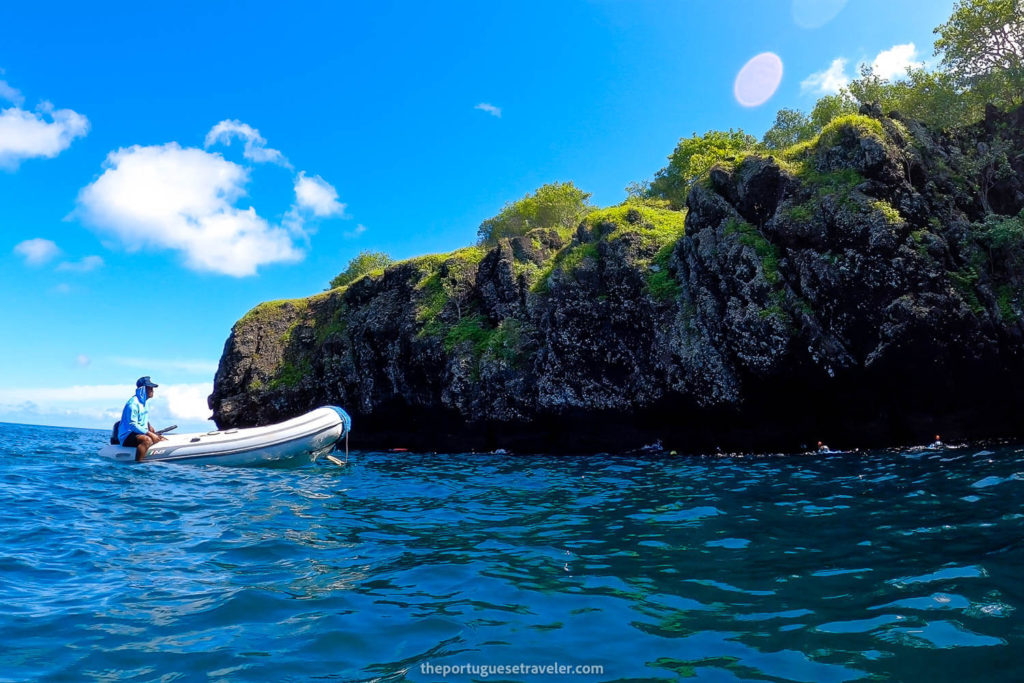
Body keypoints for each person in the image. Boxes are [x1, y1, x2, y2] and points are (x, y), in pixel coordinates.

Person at [118, 376, 166, 462]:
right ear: (143, 389)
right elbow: (132, 425)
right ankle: (138, 465)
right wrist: (149, 434)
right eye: (150, 388)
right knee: (147, 440)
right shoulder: (132, 404)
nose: (152, 390)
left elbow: (142, 418)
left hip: (138, 432)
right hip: (127, 436)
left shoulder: (144, 403)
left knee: (161, 438)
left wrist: (149, 427)